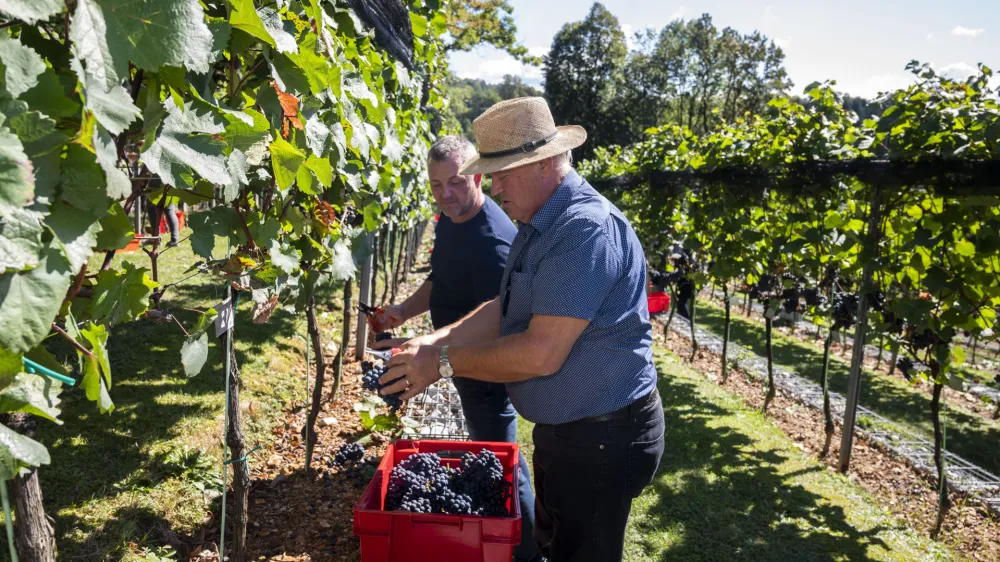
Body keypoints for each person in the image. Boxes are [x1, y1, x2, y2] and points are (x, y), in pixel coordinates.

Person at [375, 97, 665, 562]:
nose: (493, 184)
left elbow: (540, 353)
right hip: (571, 431)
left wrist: (443, 363)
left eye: (503, 172)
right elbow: (502, 308)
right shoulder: (538, 224)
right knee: (556, 544)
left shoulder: (582, 231)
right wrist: (433, 341)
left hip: (603, 439)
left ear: (546, 163)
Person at [373, 135, 541, 562]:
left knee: (498, 459)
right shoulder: (451, 217)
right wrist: (402, 312)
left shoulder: (494, 244)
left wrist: (435, 356)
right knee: (490, 450)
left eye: (455, 182)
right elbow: (439, 281)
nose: (444, 193)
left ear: (478, 176)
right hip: (453, 362)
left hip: (483, 371)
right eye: (435, 185)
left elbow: (500, 328)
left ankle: (526, 549)